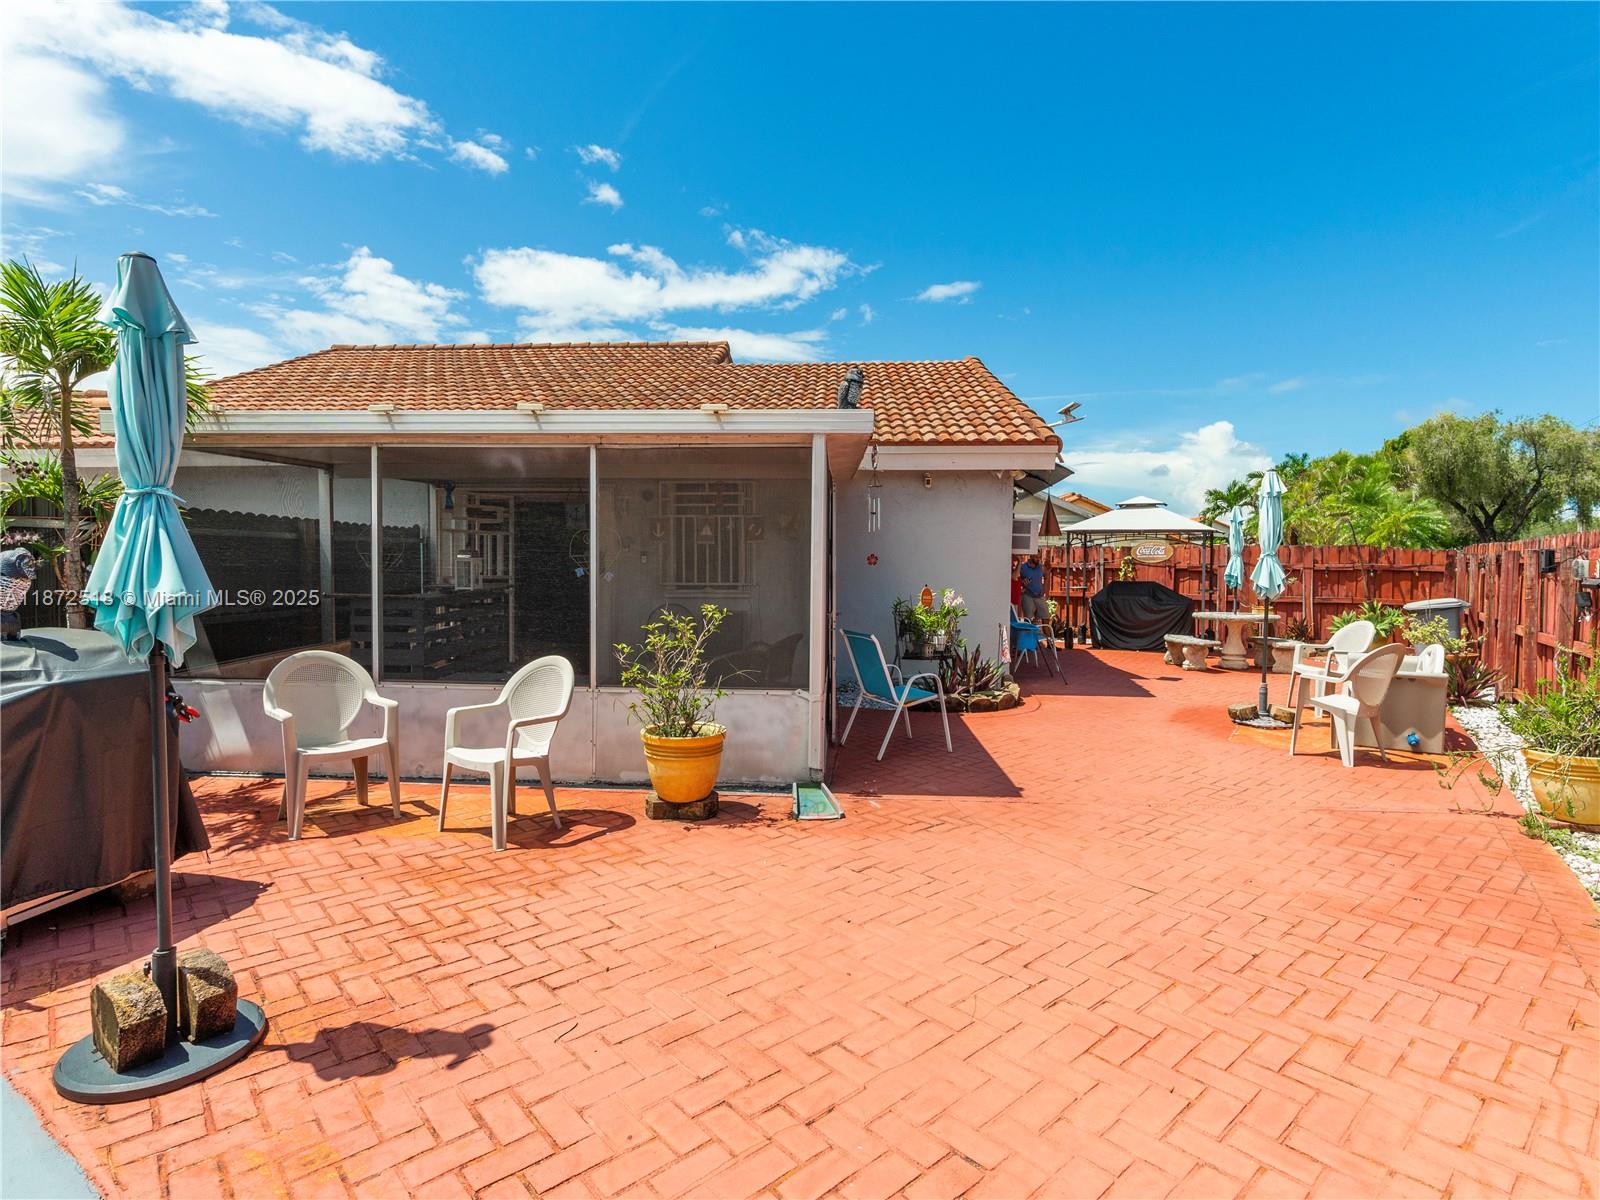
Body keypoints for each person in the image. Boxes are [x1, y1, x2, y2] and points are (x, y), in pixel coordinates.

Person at [1018, 553, 1048, 624]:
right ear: (1031, 556)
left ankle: (1048, 635)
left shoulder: (1041, 567)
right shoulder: (1023, 567)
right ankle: (1029, 634)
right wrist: (1022, 583)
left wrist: (1044, 590)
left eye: (1039, 557)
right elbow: (1017, 579)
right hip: (1028, 595)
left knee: (1046, 617)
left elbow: (1046, 577)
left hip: (1039, 596)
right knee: (1028, 619)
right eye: (1036, 557)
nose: (1038, 559)